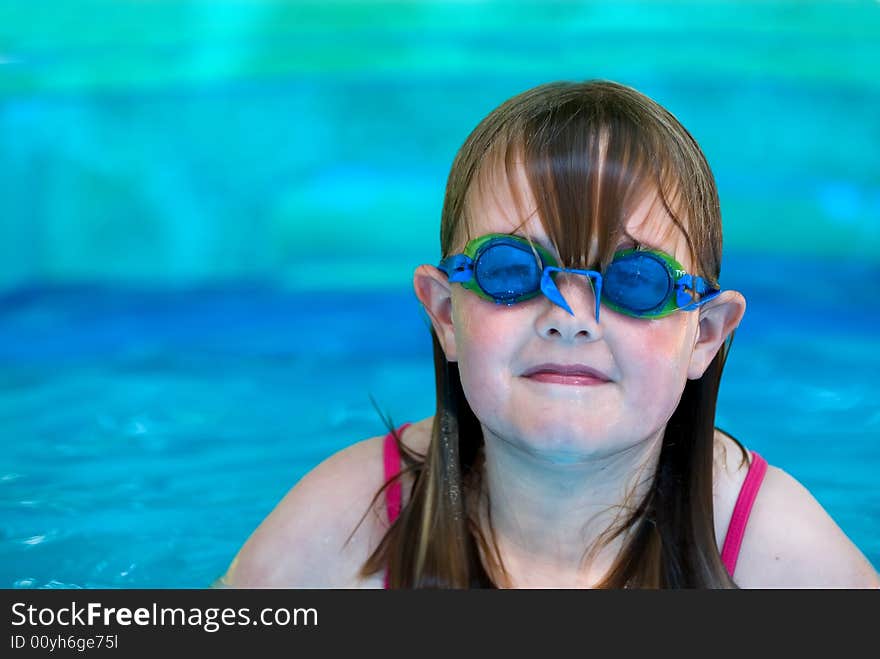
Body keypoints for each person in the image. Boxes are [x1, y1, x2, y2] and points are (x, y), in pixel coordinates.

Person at [216, 80, 879, 588]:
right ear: (446, 314)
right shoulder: (347, 526)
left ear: (704, 334)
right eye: (511, 270)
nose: (570, 316)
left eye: (636, 280)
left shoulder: (772, 549)